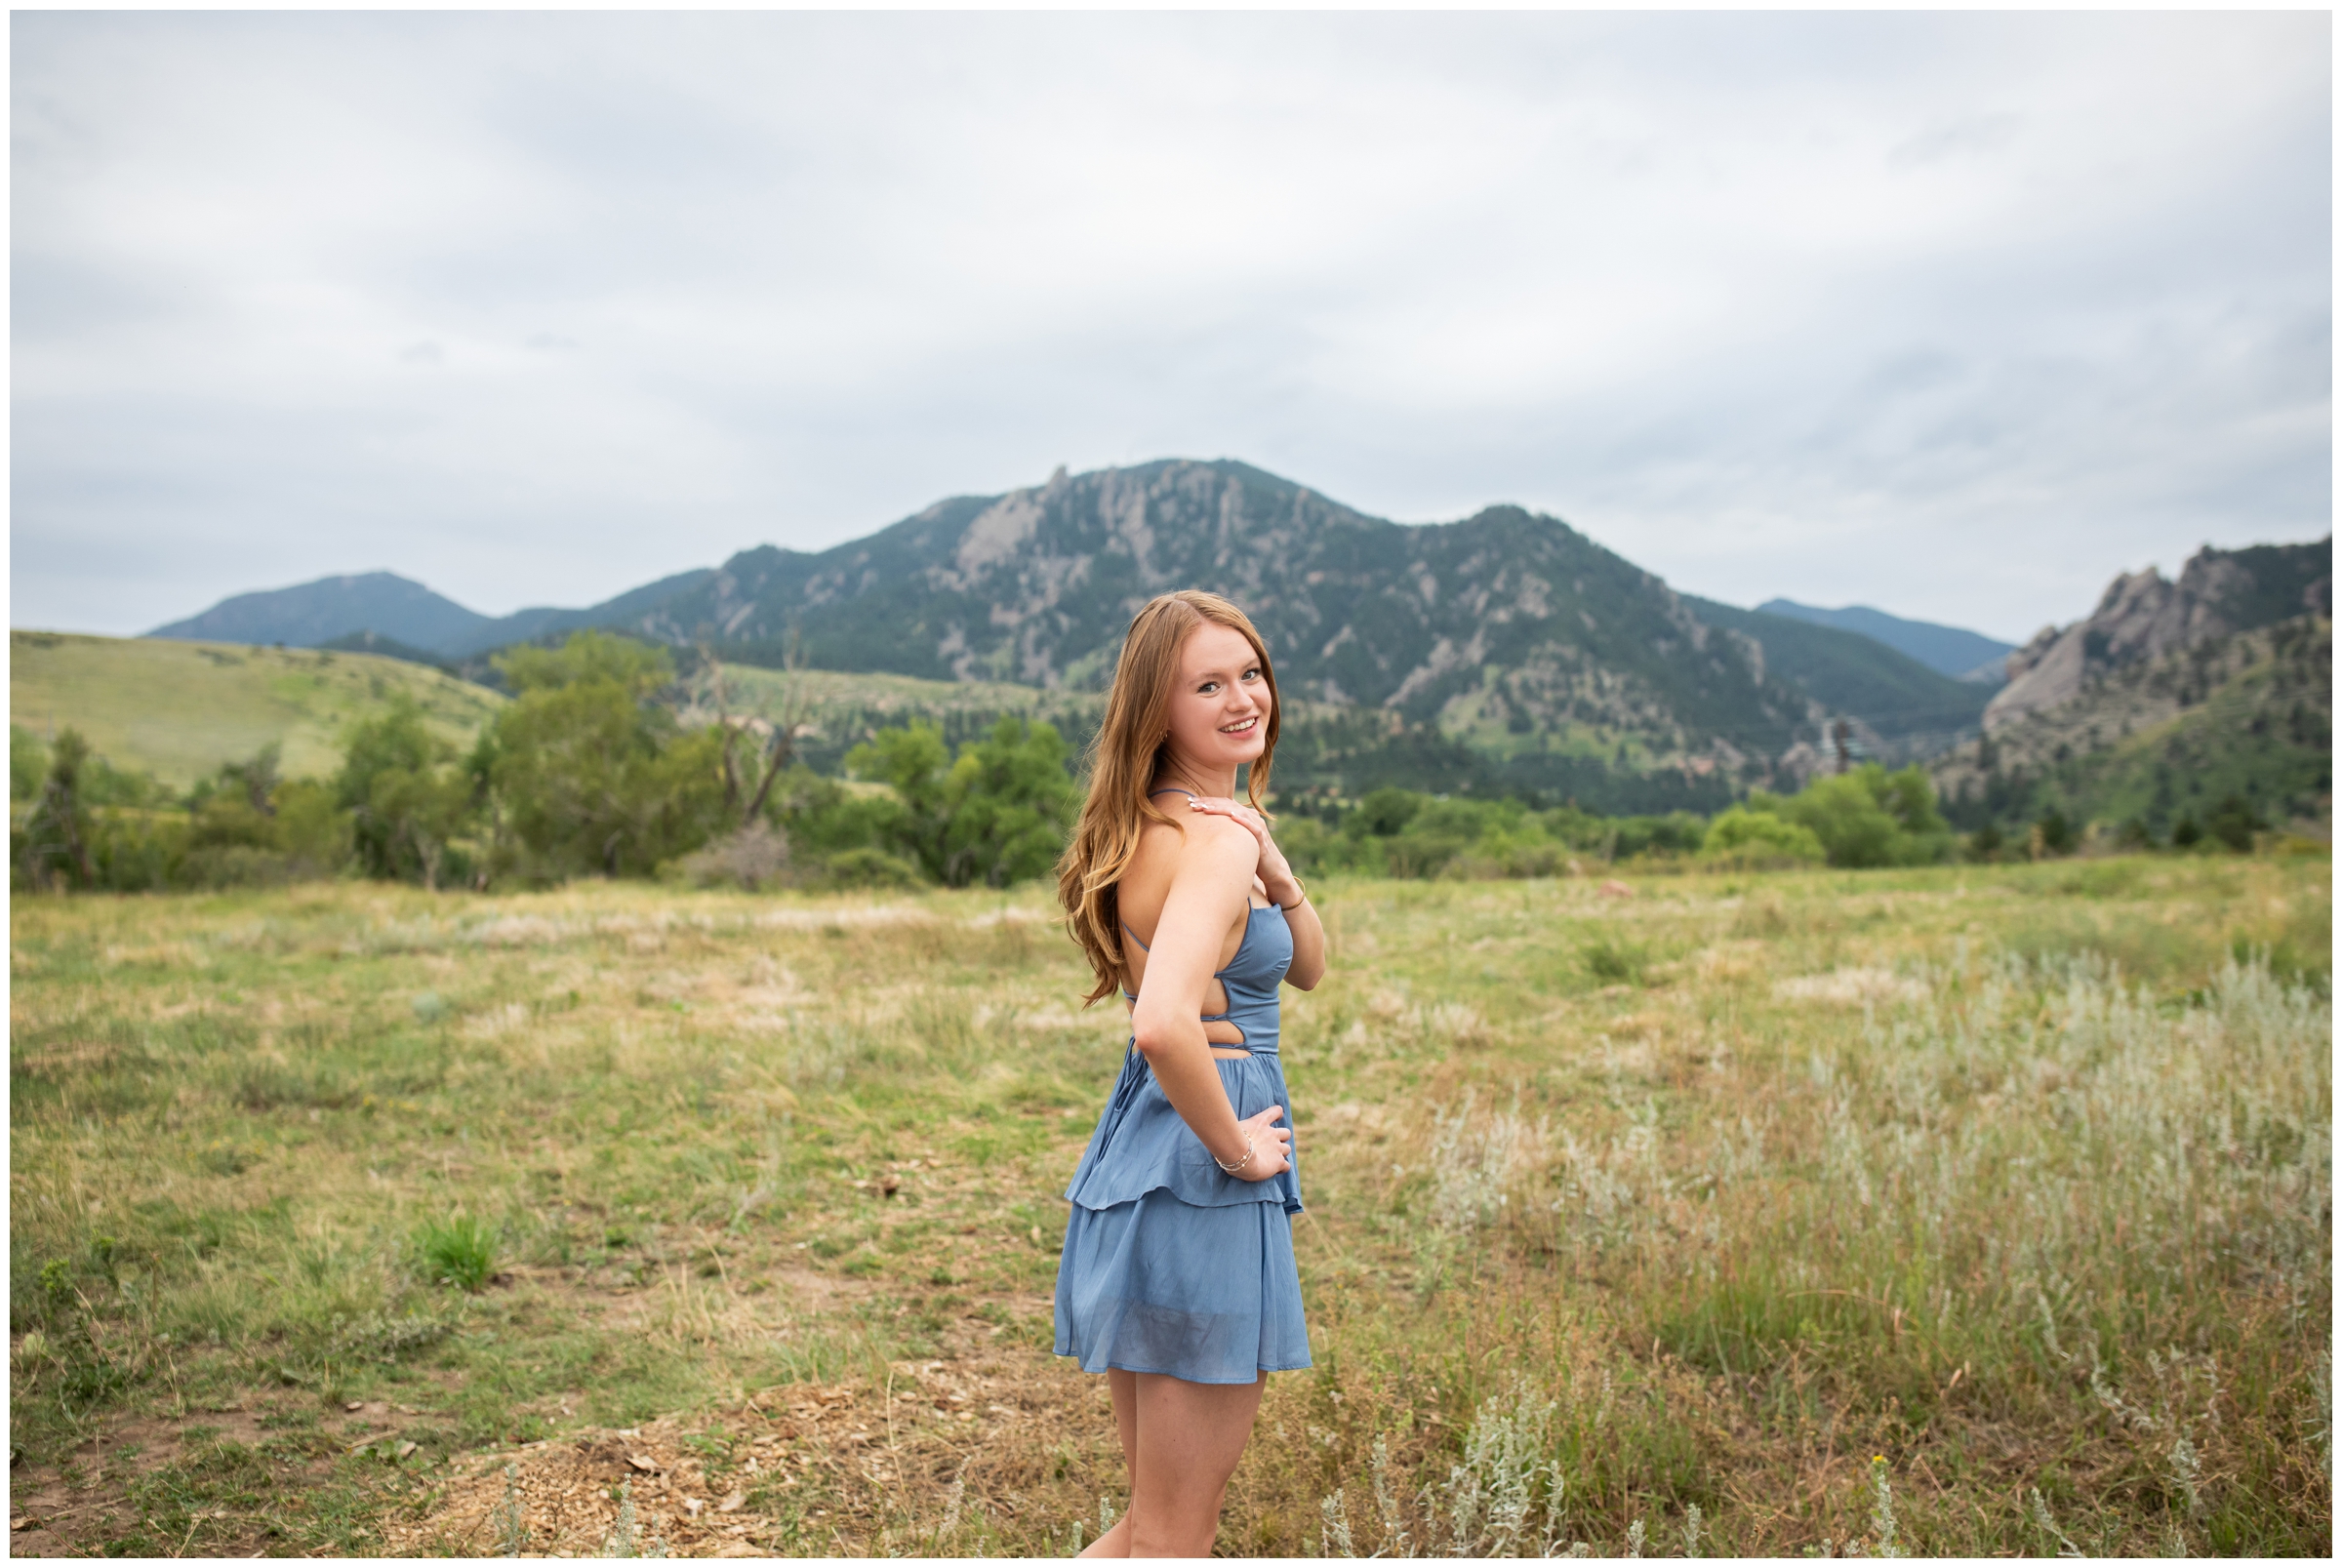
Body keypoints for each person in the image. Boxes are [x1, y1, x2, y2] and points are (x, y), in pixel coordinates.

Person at [1052, 589, 1328, 1557]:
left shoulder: (1174, 826)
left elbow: (1309, 963)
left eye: (1249, 671)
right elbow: (1165, 1023)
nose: (1242, 696)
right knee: (1175, 1532)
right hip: (1199, 1171)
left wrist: (1276, 868)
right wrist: (1240, 1149)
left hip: (1145, 1159)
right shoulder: (1211, 843)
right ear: (1155, 711)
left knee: (1146, 1522)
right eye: (1207, 683)